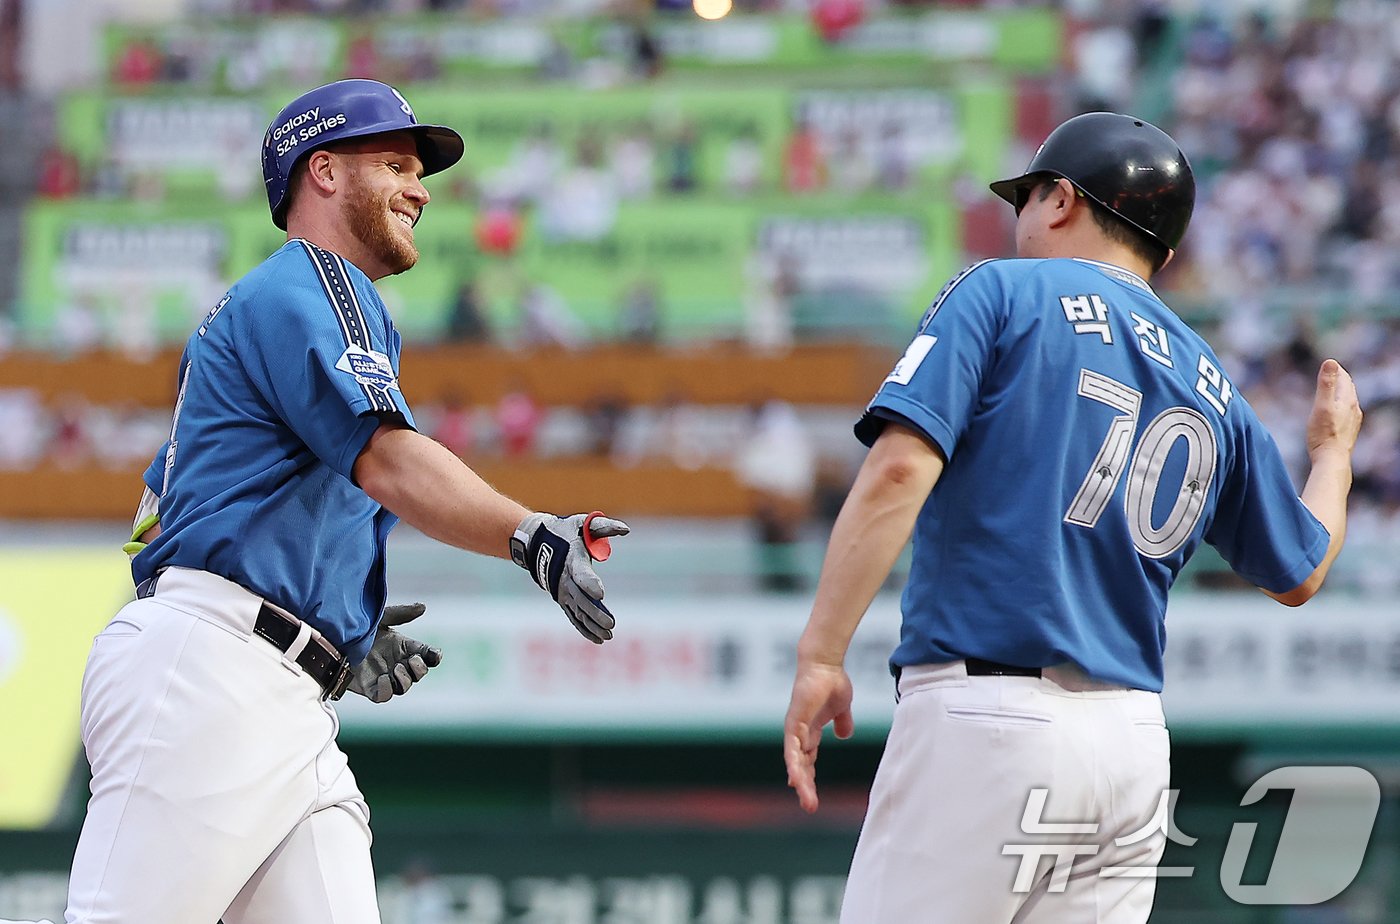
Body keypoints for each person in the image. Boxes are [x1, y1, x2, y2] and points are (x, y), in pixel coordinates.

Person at [5, 79, 628, 924]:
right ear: (324, 171)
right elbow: (386, 460)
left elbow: (167, 514)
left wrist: (330, 622)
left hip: (277, 688)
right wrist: (529, 536)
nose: (421, 189)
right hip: (215, 672)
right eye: (398, 164)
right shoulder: (312, 283)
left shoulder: (267, 311)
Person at [782, 112, 1362, 923]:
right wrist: (1333, 454)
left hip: (987, 720)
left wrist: (820, 655)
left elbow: (901, 468)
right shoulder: (1212, 381)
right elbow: (1302, 571)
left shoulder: (1000, 291)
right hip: (1130, 747)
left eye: (1027, 196)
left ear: (1060, 200)